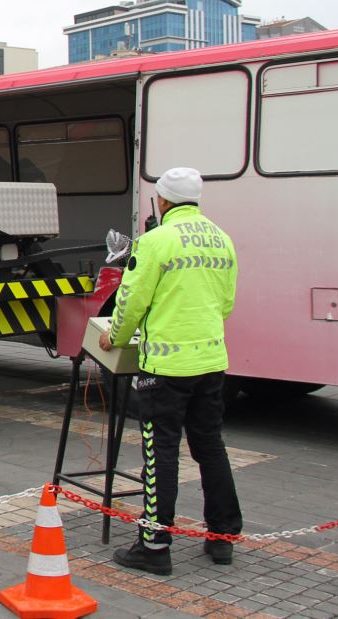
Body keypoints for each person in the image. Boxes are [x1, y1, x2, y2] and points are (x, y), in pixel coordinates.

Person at [98, 167, 241, 576]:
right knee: (210, 445)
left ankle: (154, 545)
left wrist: (117, 336)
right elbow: (225, 303)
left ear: (161, 202)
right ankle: (223, 537)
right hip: (211, 361)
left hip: (164, 368)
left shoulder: (155, 241)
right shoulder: (221, 239)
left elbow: (130, 299)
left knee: (160, 450)